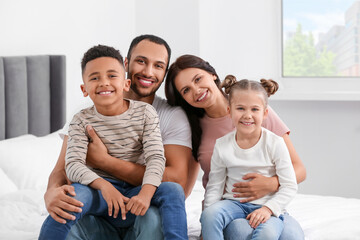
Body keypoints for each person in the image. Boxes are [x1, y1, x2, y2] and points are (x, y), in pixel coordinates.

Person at [43, 35, 195, 240]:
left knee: (165, 200)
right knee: (73, 198)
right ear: (127, 63)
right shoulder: (83, 116)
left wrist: (104, 161)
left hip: (139, 201)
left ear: (125, 82)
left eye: (158, 65)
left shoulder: (157, 114)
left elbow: (171, 176)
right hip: (97, 195)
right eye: (141, 61)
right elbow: (65, 168)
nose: (148, 71)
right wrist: (51, 193)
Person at [165, 54, 306, 239]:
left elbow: (299, 170)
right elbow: (187, 184)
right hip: (228, 208)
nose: (196, 90)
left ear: (212, 74)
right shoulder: (192, 127)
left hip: (267, 203)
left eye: (198, 79)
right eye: (186, 90)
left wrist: (270, 184)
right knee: (242, 232)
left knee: (292, 236)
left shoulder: (254, 110)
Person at [200, 77, 298, 239]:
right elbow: (215, 186)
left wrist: (268, 209)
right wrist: (207, 219)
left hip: (267, 207)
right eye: (240, 108)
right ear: (229, 111)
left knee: (267, 233)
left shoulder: (275, 143)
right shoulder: (222, 145)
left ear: (265, 113)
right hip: (233, 204)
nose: (247, 115)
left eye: (254, 109)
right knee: (210, 214)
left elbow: (289, 186)